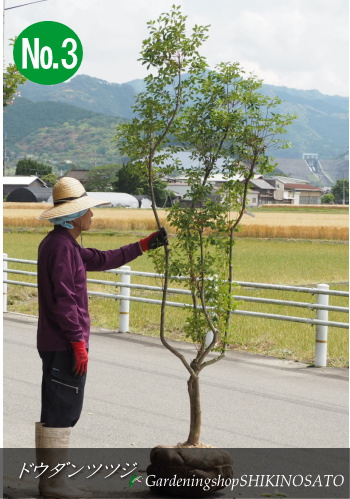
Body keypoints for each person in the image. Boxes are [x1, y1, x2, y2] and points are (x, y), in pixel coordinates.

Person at [35, 177, 168, 499]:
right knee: (61, 410)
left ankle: (52, 481)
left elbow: (103, 259)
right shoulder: (61, 248)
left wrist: (144, 244)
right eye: (88, 211)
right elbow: (64, 300)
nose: (92, 216)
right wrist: (77, 343)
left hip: (60, 342)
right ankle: (53, 485)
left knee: (61, 407)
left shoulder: (65, 245)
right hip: (64, 344)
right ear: (75, 215)